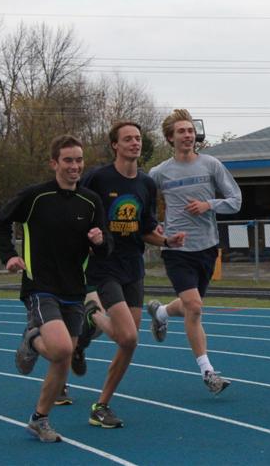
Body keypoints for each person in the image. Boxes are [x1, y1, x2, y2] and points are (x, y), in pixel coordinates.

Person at [0, 134, 112, 443]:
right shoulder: (35, 197)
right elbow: (2, 221)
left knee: (64, 356)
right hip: (40, 284)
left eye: (79, 160)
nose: (75, 166)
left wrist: (101, 242)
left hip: (74, 287)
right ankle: (33, 340)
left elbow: (104, 246)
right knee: (60, 348)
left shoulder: (91, 201)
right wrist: (10, 256)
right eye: (68, 160)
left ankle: (39, 419)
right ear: (54, 163)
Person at [74, 121, 185, 428]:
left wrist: (166, 241)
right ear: (115, 145)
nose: (135, 143)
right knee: (129, 336)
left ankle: (102, 404)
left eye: (137, 138)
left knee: (128, 342)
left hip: (132, 267)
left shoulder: (147, 184)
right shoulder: (97, 177)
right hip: (103, 264)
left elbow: (146, 228)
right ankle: (94, 313)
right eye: (128, 139)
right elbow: (75, 211)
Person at [147, 109, 241, 395]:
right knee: (195, 307)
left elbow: (236, 201)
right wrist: (156, 228)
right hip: (177, 249)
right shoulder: (159, 173)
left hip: (207, 247)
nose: (188, 135)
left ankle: (161, 312)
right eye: (181, 132)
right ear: (170, 138)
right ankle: (207, 371)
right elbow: (144, 206)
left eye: (190, 130)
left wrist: (208, 205)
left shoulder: (211, 165)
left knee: (190, 304)